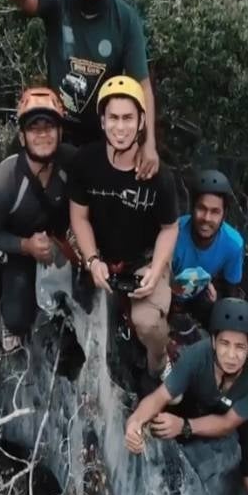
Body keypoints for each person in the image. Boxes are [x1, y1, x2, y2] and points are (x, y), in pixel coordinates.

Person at [7, 0, 160, 178]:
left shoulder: (125, 19)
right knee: (18, 175)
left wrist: (148, 144)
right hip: (55, 129)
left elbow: (143, 86)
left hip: (103, 137)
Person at [124, 298, 248, 495]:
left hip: (244, 416)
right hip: (206, 399)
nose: (231, 355)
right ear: (213, 342)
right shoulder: (195, 356)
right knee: (171, 401)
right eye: (225, 343)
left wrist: (184, 426)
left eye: (240, 347)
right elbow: (159, 396)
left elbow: (227, 425)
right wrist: (134, 421)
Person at [67, 76, 178, 376]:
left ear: (142, 121)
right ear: (102, 121)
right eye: (113, 118)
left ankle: (159, 363)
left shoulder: (158, 176)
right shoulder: (85, 162)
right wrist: (92, 260)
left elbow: (170, 228)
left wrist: (155, 270)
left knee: (148, 323)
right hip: (101, 257)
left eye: (128, 118)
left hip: (143, 260)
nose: (120, 127)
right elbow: (79, 217)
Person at [0, 87, 76, 382]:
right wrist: (25, 245)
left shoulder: (69, 164)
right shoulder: (5, 180)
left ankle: (9, 320)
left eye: (49, 127)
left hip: (34, 246)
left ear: (60, 132)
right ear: (22, 137)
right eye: (34, 128)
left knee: (18, 319)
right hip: (2, 242)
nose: (42, 135)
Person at [171, 170, 246, 328]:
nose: (206, 218)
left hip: (200, 296)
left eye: (215, 212)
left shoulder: (233, 244)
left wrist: (217, 301)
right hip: (168, 293)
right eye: (201, 208)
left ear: (224, 215)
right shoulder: (173, 233)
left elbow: (232, 291)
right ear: (192, 208)